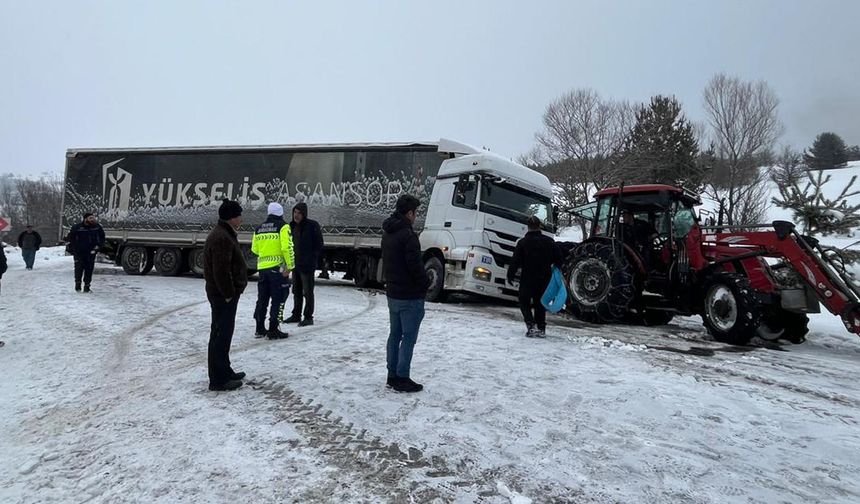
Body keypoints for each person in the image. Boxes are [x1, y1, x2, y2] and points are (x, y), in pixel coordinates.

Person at [381, 195, 430, 393]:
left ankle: (392, 374)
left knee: (394, 335)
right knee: (408, 337)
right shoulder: (409, 236)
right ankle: (402, 377)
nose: (416, 216)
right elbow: (415, 266)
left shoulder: (388, 233)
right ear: (409, 213)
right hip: (410, 295)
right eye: (415, 212)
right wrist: (425, 283)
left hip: (393, 292)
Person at [203, 199, 248, 392]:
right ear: (232, 218)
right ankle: (218, 379)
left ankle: (225, 370)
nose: (241, 218)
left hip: (223, 295)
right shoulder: (222, 237)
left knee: (223, 334)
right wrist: (229, 294)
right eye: (239, 215)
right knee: (220, 335)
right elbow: (221, 271)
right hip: (223, 296)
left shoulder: (225, 233)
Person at [507, 216, 563, 338]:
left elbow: (515, 261)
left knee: (524, 301)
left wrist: (510, 275)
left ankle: (531, 325)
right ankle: (541, 328)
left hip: (528, 277)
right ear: (540, 226)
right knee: (540, 303)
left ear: (528, 227)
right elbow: (559, 259)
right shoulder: (549, 242)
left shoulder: (522, 243)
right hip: (544, 277)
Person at [251, 202, 294, 340]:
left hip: (263, 269)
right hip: (278, 269)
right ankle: (273, 329)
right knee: (278, 298)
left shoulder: (259, 228)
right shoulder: (283, 227)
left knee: (262, 299)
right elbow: (286, 247)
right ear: (281, 213)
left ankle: (259, 328)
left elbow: (254, 249)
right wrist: (290, 266)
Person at [283, 202, 324, 327]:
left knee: (308, 292)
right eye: (295, 212)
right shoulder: (290, 226)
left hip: (307, 265)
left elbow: (319, 243)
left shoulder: (312, 225)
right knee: (296, 291)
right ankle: (296, 314)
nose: (296, 215)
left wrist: (312, 258)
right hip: (295, 264)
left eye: (299, 213)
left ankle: (308, 316)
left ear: (304, 214)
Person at [66, 213, 106, 292]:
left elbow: (102, 237)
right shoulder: (77, 227)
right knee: (78, 268)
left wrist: (98, 246)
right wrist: (73, 249)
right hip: (79, 252)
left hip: (91, 252)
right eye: (90, 218)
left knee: (89, 269)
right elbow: (71, 238)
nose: (93, 219)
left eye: (93, 218)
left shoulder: (97, 227)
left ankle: (87, 286)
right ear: (85, 219)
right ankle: (78, 285)